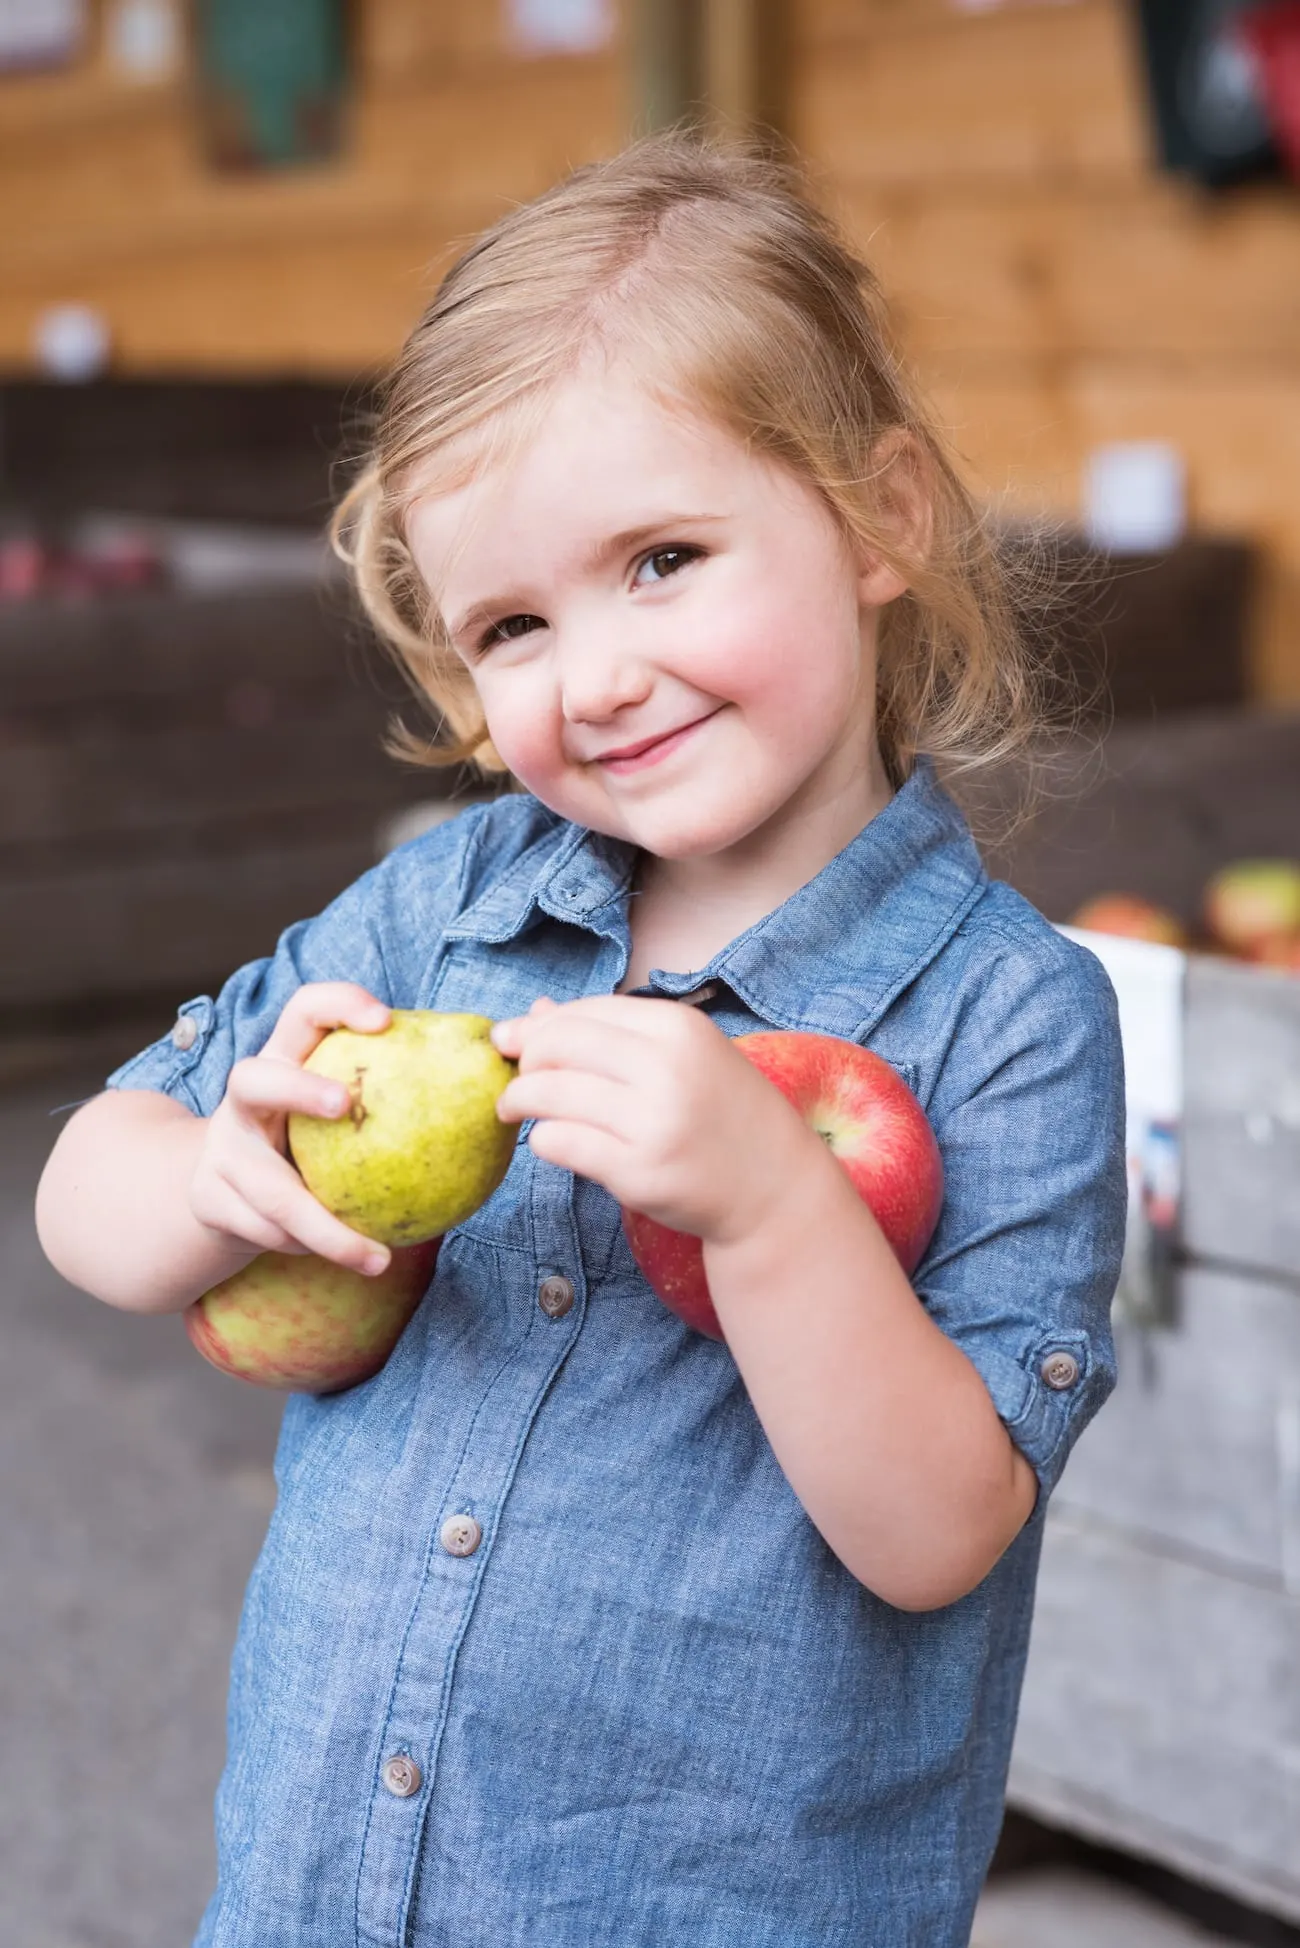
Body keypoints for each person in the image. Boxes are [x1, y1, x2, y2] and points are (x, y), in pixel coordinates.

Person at [35, 135, 1125, 1947]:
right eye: (516, 625)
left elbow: (938, 1532)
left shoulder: (1006, 1020)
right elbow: (86, 1189)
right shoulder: (440, 921)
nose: (595, 673)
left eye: (665, 559)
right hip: (324, 1888)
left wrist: (778, 1218)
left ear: (882, 521)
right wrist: (215, 1168)